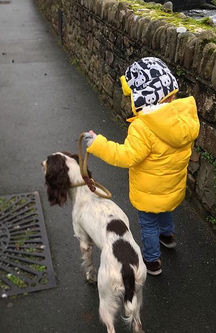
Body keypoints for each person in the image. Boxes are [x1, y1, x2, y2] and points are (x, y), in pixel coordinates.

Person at [83, 57, 200, 276]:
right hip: (171, 185)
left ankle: (152, 260)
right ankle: (168, 236)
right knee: (165, 209)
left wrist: (98, 144)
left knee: (148, 224)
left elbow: (126, 156)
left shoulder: (143, 127)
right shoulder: (185, 117)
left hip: (149, 190)